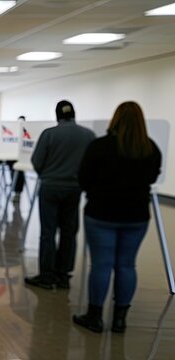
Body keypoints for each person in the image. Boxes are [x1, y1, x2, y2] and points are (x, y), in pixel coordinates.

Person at [72, 101, 161, 333]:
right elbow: (152, 177)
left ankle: (95, 317)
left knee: (101, 265)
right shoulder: (150, 148)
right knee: (126, 265)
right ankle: (120, 319)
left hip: (101, 214)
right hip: (137, 216)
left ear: (115, 120)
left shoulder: (99, 146)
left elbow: (83, 178)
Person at [25, 100, 95, 289]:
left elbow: (37, 161)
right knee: (69, 232)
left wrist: (47, 175)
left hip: (50, 188)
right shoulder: (88, 135)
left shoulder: (49, 134)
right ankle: (63, 275)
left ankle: (47, 276)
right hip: (74, 189)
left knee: (48, 232)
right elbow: (92, 164)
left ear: (57, 115)